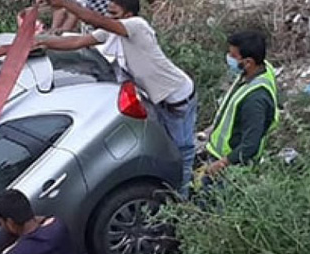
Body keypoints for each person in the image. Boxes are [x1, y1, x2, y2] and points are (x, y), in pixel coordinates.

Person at [36, 0, 197, 199]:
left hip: (177, 98)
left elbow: (90, 17)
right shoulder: (113, 32)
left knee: (182, 150)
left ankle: (184, 199)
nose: (109, 18)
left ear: (128, 14)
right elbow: (75, 42)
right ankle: (174, 192)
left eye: (114, 13)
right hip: (159, 99)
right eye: (109, 13)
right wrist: (41, 41)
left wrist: (64, 3)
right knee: (169, 147)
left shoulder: (136, 26)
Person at [202, 30, 280, 178]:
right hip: (220, 156)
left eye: (233, 56)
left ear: (248, 62)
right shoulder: (258, 69)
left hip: (231, 169)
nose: (229, 58)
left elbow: (250, 145)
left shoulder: (255, 100)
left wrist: (221, 164)